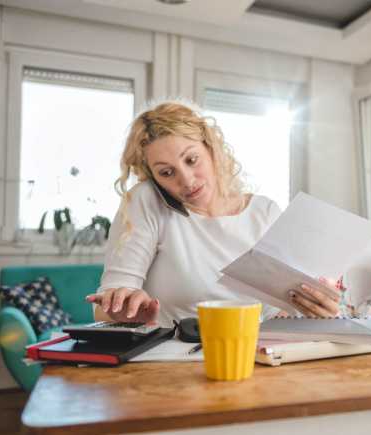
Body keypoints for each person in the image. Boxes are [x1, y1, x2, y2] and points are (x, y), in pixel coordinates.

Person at [86, 100, 342, 326]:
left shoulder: (265, 212)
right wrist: (125, 310)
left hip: (256, 357)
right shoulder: (147, 201)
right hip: (172, 364)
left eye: (191, 160)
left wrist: (318, 308)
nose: (186, 181)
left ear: (211, 149)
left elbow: (282, 312)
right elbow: (104, 307)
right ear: (154, 177)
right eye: (166, 172)